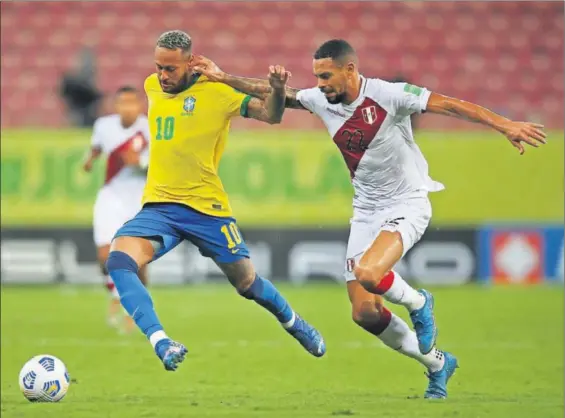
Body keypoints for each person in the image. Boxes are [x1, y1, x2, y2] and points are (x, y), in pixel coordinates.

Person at [192, 39, 547, 399]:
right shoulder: (320, 100)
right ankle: (439, 364)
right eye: (317, 76)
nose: (321, 83)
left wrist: (504, 125)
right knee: (364, 313)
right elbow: (271, 90)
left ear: (350, 70)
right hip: (366, 212)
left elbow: (451, 106)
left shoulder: (389, 95)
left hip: (406, 203)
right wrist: (221, 76)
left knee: (369, 273)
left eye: (326, 75)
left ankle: (419, 303)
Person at [105, 30, 325, 372]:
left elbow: (272, 115)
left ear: (191, 63)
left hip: (207, 209)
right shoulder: (151, 87)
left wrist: (278, 89)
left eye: (171, 69)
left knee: (247, 284)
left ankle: (294, 322)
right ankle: (161, 341)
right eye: (159, 67)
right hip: (160, 206)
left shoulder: (219, 93)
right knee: (119, 260)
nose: (162, 76)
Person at [83, 86, 150, 333]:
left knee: (139, 262)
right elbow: (97, 146)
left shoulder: (150, 128)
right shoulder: (103, 125)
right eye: (122, 103)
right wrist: (90, 160)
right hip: (111, 196)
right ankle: (116, 294)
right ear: (116, 105)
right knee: (104, 256)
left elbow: (159, 166)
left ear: (139, 105)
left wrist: (141, 164)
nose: (127, 107)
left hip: (139, 198)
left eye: (132, 102)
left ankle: (137, 311)